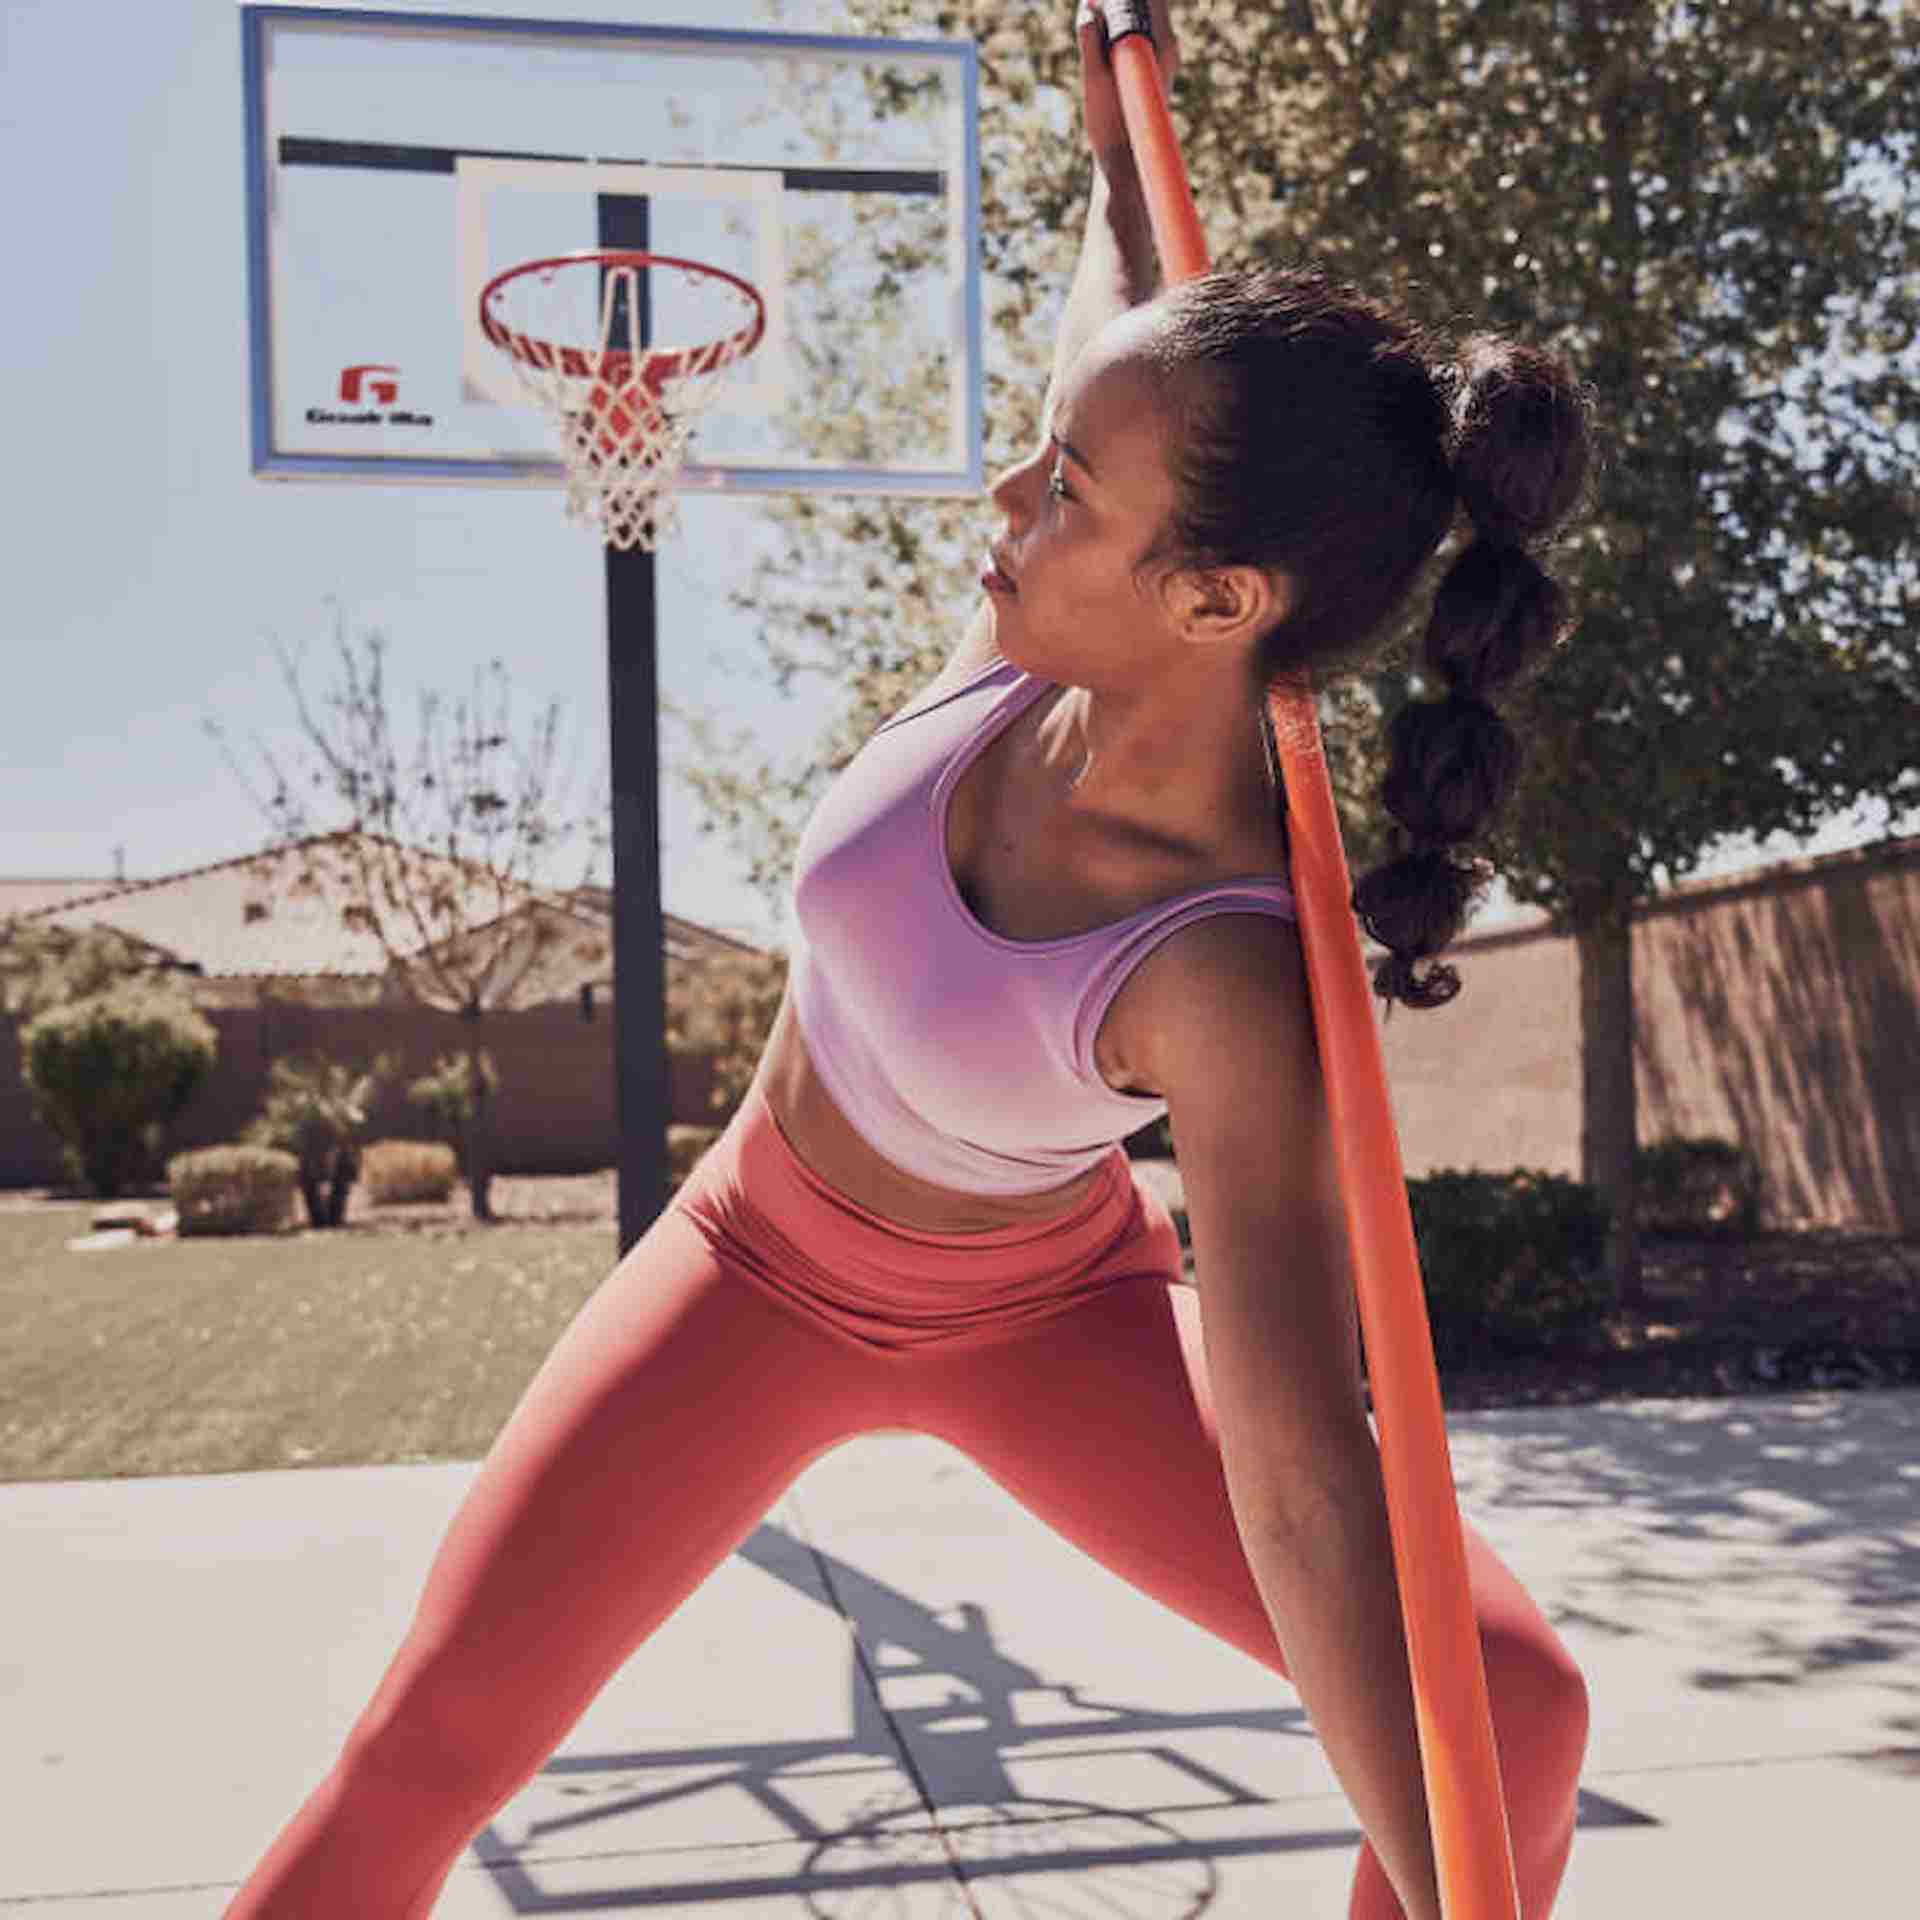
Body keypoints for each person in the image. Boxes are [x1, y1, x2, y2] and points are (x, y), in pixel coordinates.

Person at [226, 5, 1594, 1916]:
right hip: (748, 1262)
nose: (1003, 515)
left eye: (1066, 499)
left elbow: (1296, 1469)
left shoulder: (1229, 970)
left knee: (1508, 1720)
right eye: (1045, 462)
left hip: (1051, 1318)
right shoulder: (1019, 659)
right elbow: (1114, 300)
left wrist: (1456, 1863)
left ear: (1218, 599)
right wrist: (1121, 109)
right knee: (429, 1744)